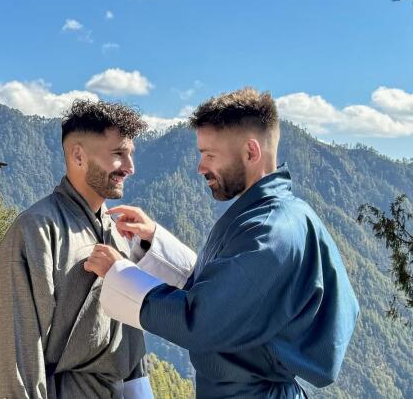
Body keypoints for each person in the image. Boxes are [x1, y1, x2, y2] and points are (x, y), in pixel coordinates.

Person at [84, 87, 360, 398]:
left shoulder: (270, 232)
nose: (201, 168)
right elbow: (226, 292)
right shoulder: (277, 215)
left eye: (209, 155)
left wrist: (119, 272)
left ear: (251, 152)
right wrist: (154, 241)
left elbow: (203, 320)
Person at [0, 100, 192, 398]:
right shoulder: (37, 230)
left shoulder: (117, 231)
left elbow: (130, 339)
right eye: (118, 154)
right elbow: (18, 351)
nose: (130, 168)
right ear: (78, 156)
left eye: (131, 155)